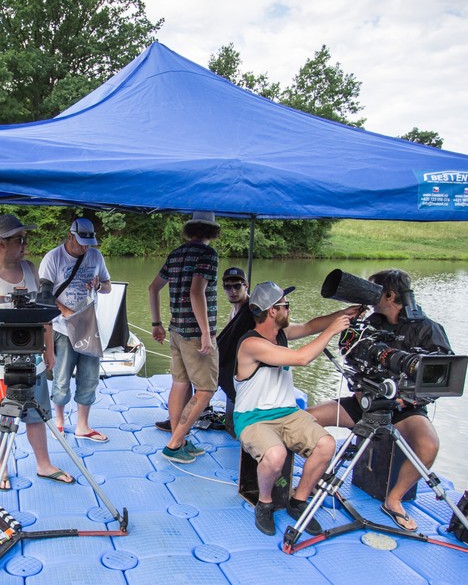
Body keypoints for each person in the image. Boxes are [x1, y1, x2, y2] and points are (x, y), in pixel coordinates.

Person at [307, 269, 452, 533]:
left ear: (390, 295)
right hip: (365, 401)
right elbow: (351, 357)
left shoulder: (429, 329)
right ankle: (314, 481)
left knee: (428, 445)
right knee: (305, 420)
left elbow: (442, 377)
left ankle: (394, 499)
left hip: (404, 409)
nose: (369, 295)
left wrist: (405, 400)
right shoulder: (371, 322)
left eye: (374, 290)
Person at [233, 282, 355, 536]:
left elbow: (311, 326)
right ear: (273, 311)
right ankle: (264, 503)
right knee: (275, 455)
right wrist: (332, 330)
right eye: (285, 306)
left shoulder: (281, 334)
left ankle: (298, 501)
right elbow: (302, 358)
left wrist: (344, 314)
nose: (289, 309)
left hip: (288, 413)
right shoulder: (251, 344)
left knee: (326, 445)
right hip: (253, 418)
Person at [0, 213, 75, 485]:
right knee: (1, 418)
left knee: (37, 414)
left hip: (33, 360)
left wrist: (49, 350)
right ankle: (0, 468)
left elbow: (43, 312)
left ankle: (43, 464)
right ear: (1, 243)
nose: (25, 244)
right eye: (20, 240)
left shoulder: (30, 268)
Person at [148, 211, 220, 463]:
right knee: (206, 389)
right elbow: (196, 292)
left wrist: (156, 323)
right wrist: (206, 333)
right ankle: (175, 443)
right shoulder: (208, 254)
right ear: (212, 230)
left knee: (180, 383)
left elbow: (153, 288)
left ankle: (179, 438)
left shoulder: (176, 253)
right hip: (195, 335)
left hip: (176, 330)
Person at [40, 217, 112, 441]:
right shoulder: (53, 258)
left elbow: (108, 287)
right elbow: (44, 296)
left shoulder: (95, 256)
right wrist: (66, 312)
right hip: (63, 328)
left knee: (89, 377)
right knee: (61, 378)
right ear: (70, 236)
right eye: (81, 243)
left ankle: (83, 426)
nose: (85, 248)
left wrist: (98, 285)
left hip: (88, 327)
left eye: (88, 244)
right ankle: (59, 422)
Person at [154, 265, 251, 433]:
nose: (233, 291)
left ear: (246, 286)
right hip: (230, 362)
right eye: (228, 287)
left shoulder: (251, 311)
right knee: (189, 374)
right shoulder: (234, 311)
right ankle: (180, 422)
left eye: (237, 286)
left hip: (242, 368)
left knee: (205, 386)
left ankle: (180, 429)